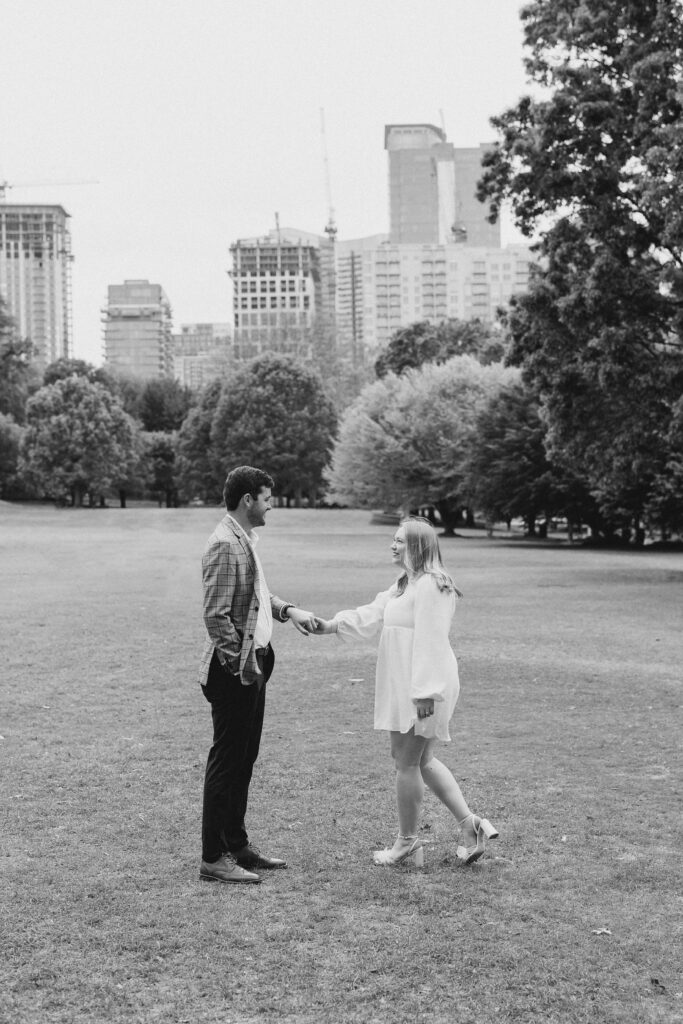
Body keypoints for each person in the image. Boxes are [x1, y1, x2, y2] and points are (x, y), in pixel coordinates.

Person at [313, 516, 498, 868]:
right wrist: (332, 625)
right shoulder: (405, 583)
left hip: (425, 686)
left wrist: (426, 692)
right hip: (408, 684)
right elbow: (373, 613)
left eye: (399, 540)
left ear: (417, 546)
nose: (392, 545)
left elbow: (432, 637)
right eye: (393, 539)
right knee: (421, 760)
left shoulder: (432, 584)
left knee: (406, 762)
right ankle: (469, 825)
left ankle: (407, 843)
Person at [198, 465, 317, 884]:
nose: (272, 505)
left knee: (244, 760)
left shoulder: (243, 537)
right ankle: (213, 857)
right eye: (267, 498)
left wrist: (288, 611)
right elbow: (216, 616)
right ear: (248, 499)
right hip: (235, 669)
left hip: (253, 664)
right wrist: (242, 666)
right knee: (227, 762)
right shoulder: (224, 544)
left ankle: (237, 845)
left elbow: (256, 595)